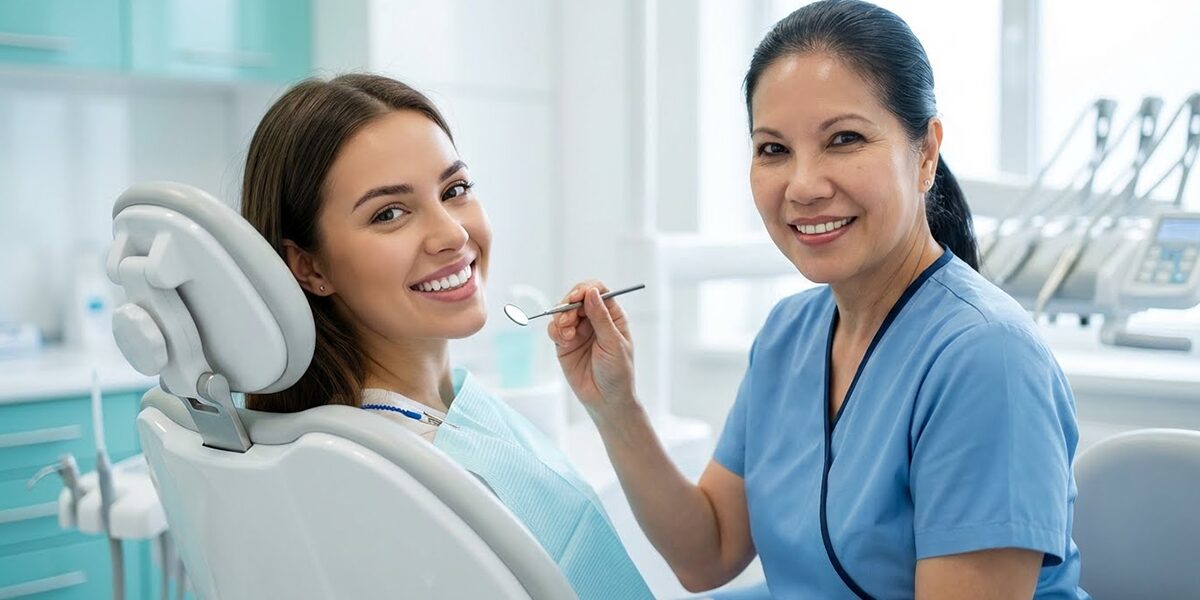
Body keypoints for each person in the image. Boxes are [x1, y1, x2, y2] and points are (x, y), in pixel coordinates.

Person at [547, 2, 1089, 598]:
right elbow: (710, 552)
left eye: (844, 139)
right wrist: (615, 405)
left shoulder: (988, 359)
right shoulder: (789, 334)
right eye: (773, 149)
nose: (803, 186)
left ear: (926, 153)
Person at [239, 73, 652, 600]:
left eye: (454, 190)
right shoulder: (389, 479)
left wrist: (614, 406)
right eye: (389, 213)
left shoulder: (446, 411)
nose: (452, 234)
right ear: (309, 266)